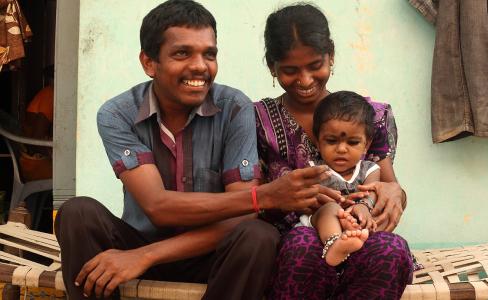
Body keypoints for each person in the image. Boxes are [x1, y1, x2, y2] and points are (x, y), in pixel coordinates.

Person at [54, 1, 340, 299]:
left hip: (211, 253)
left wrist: (147, 256)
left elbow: (242, 216)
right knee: (77, 213)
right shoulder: (117, 114)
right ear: (149, 62)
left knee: (258, 235)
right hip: (137, 248)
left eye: (209, 54)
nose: (200, 66)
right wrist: (265, 196)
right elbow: (158, 207)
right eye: (182, 53)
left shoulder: (234, 108)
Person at [255, 4, 413, 299]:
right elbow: (253, 201)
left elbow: (390, 186)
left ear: (331, 56)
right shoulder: (258, 121)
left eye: (316, 65)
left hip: (359, 237)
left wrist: (393, 194)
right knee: (301, 244)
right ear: (271, 66)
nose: (305, 80)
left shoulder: (370, 117)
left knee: (392, 250)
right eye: (290, 70)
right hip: (295, 246)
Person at [300, 91, 383, 267]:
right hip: (319, 223)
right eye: (331, 141)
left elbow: (372, 192)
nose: (342, 149)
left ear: (366, 145)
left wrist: (364, 206)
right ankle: (335, 244)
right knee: (331, 208)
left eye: (352, 142)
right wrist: (341, 205)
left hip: (354, 223)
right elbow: (310, 198)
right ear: (318, 141)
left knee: (360, 214)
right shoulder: (314, 169)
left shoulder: (369, 169)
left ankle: (350, 237)